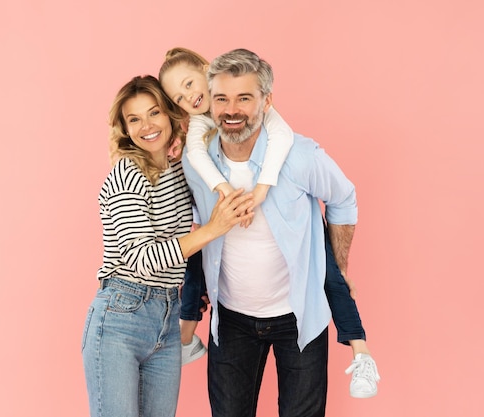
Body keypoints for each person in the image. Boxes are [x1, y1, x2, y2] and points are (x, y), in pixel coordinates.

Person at [163, 48, 380, 398]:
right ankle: (185, 335)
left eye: (244, 98)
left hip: (299, 317)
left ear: (265, 102)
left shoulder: (298, 155)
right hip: (230, 320)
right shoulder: (194, 157)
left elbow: (343, 198)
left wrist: (337, 267)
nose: (231, 110)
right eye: (222, 99)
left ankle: (361, 351)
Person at [81, 75, 254, 417]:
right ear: (125, 128)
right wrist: (212, 229)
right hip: (120, 317)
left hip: (166, 315)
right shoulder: (127, 174)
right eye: (134, 119)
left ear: (169, 114)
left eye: (154, 112)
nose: (147, 125)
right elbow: (143, 259)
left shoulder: (180, 167)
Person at [159, 47, 294, 366]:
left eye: (190, 84)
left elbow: (283, 134)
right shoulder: (195, 126)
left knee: (201, 268)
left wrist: (261, 191)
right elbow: (196, 154)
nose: (189, 97)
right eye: (179, 97)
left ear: (208, 70)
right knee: (194, 267)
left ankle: (186, 334)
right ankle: (185, 337)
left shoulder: (243, 102)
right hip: (207, 213)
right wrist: (225, 192)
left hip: (247, 212)